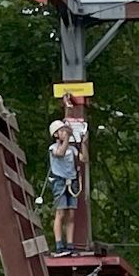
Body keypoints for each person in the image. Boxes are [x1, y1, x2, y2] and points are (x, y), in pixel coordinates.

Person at [47, 106, 87, 255]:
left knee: (71, 214)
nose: (66, 133)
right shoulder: (53, 148)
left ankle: (70, 244)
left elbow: (84, 159)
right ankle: (59, 244)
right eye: (62, 131)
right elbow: (60, 153)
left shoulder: (72, 149)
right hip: (60, 182)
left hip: (72, 182)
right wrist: (67, 138)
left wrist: (83, 143)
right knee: (60, 213)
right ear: (56, 134)